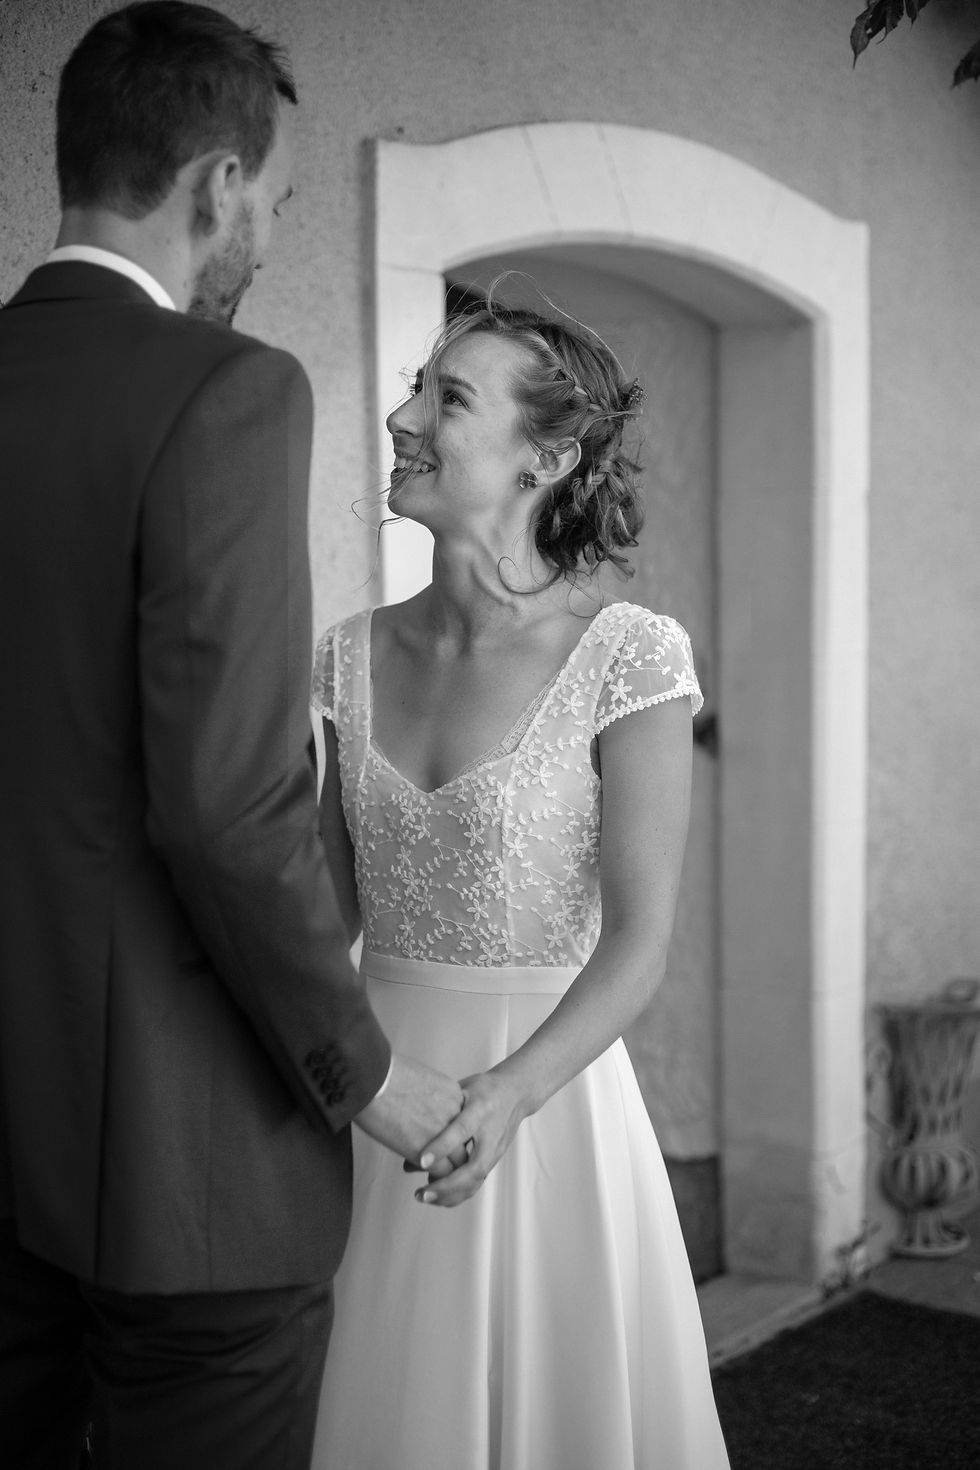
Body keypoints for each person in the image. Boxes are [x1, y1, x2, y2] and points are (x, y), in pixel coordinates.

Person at [0, 5, 462, 1467]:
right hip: (190, 1183)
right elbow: (222, 806)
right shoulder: (228, 390)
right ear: (212, 183)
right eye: (270, 198)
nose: (263, 232)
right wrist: (365, 1073)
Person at [310, 294, 731, 1467]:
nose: (401, 417)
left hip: (551, 1110)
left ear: (547, 457)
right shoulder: (345, 654)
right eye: (417, 387)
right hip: (385, 1109)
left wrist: (508, 1094)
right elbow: (330, 911)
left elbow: (639, 944)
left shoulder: (629, 656)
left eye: (445, 398)